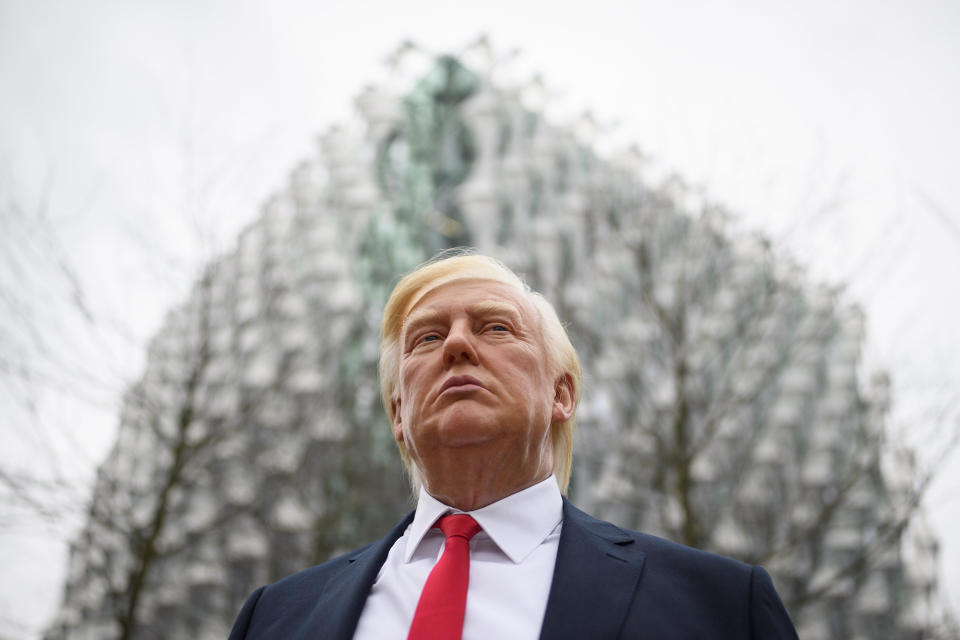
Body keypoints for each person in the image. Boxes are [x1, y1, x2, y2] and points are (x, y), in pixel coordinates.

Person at [228, 251, 798, 639]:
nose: (455, 345)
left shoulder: (722, 608)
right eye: (426, 337)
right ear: (398, 413)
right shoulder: (276, 619)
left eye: (495, 327)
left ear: (562, 394)